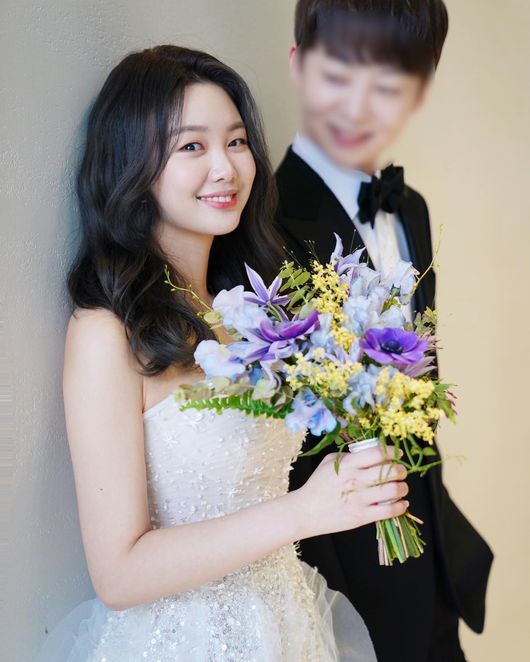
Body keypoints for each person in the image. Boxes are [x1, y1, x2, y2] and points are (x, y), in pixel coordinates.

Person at [33, 44, 413, 661]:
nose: (226, 168)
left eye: (236, 142)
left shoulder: (256, 312)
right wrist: (305, 512)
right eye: (192, 146)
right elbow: (118, 574)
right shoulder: (106, 332)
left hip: (287, 625)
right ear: (133, 165)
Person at [274, 2, 494, 661]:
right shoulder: (266, 224)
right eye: (340, 75)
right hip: (345, 588)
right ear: (299, 65)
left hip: (436, 562)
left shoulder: (412, 210)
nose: (361, 106)